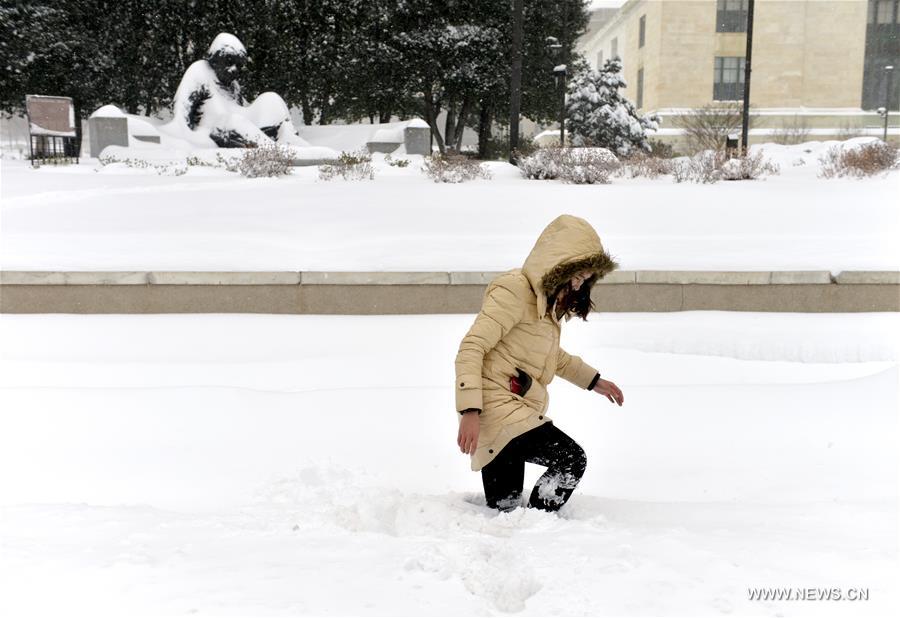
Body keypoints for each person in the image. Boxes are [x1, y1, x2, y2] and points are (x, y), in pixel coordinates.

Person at [454, 214, 625, 513]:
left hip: (510, 414)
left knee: (503, 511)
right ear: (558, 263)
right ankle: (544, 526)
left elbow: (552, 357)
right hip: (497, 408)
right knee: (571, 460)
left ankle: (524, 538)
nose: (578, 283)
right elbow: (472, 347)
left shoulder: (546, 309)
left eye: (585, 279)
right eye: (577, 273)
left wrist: (594, 381)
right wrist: (470, 410)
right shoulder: (515, 291)